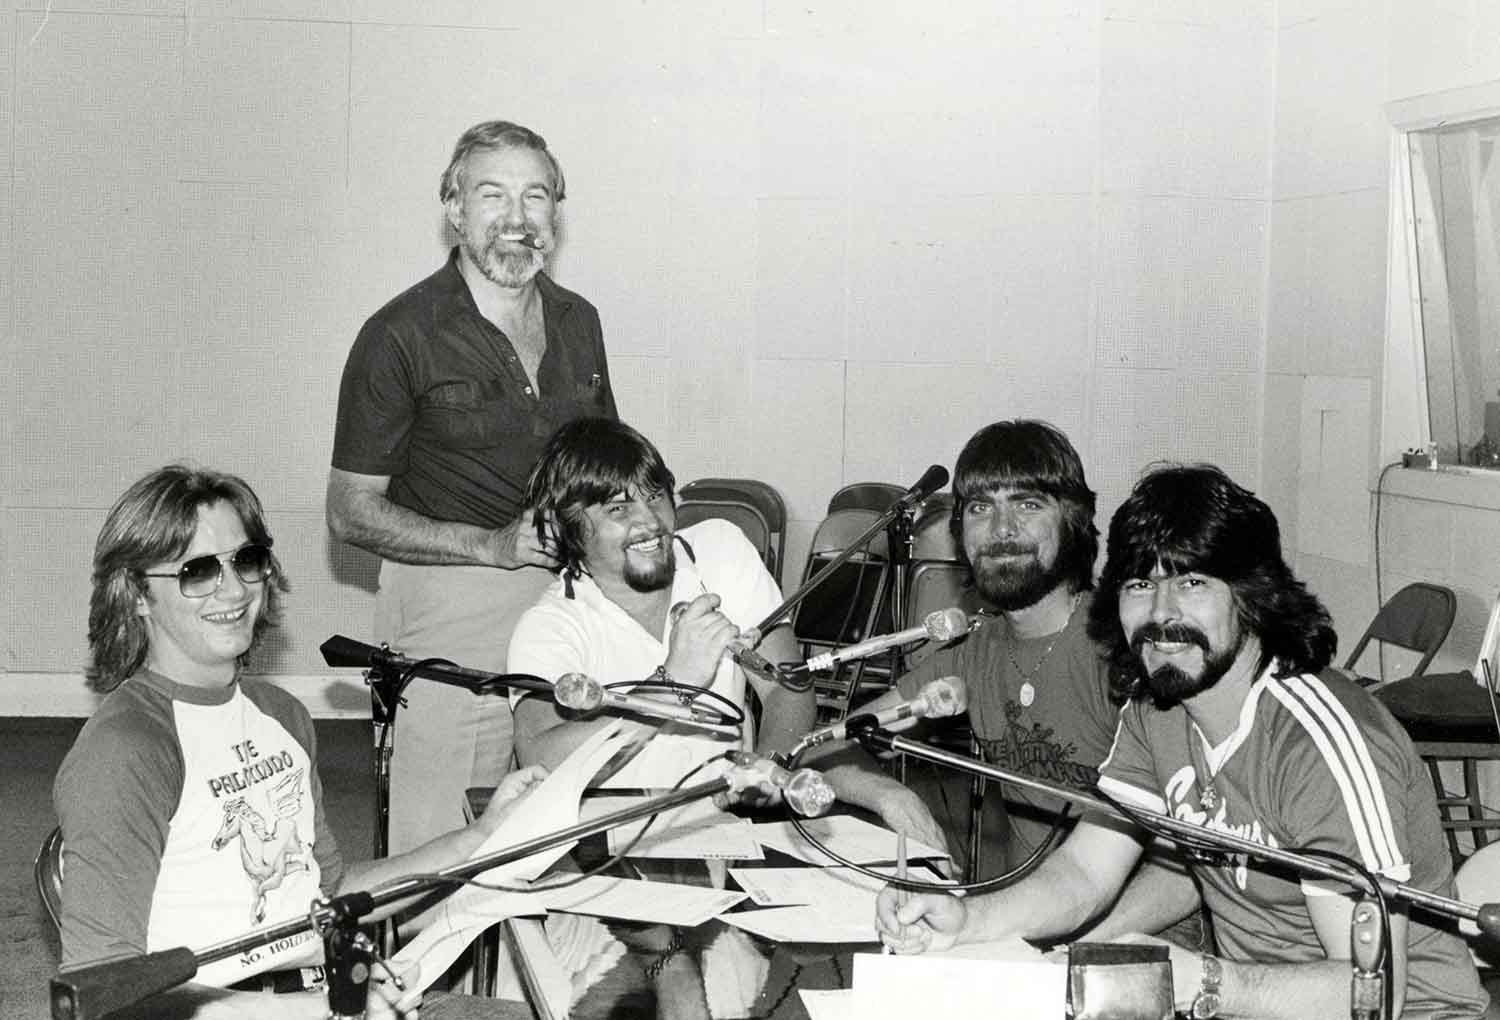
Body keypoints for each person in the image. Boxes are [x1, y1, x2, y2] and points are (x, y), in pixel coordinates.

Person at [877, 464, 1491, 1020]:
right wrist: (967, 918)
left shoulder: (1321, 743)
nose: (1160, 614)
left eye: (1192, 583)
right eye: (1139, 587)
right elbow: (1086, 873)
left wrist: (1209, 984)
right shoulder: (1158, 709)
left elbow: (1375, 993)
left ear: (1250, 598)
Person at [56, 465, 547, 1019]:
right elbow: (99, 992)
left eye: (246, 561)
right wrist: (315, 1010)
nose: (235, 589)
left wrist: (481, 836)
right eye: (196, 571)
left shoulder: (280, 716)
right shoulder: (127, 746)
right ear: (138, 594)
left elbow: (328, 893)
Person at [506, 418, 948, 1019]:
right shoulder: (551, 625)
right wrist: (672, 682)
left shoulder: (717, 550)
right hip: (608, 849)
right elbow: (538, 753)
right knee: (653, 1000)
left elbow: (788, 686)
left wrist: (771, 763)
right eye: (616, 508)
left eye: (655, 494)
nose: (650, 522)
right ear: (571, 530)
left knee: (852, 965)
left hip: (724, 836)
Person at [326, 119, 615, 854]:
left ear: (556, 212)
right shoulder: (398, 334)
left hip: (568, 597)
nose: (517, 219)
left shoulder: (581, 322)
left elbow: (602, 466)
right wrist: (490, 546)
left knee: (565, 825)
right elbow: (350, 511)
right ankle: (427, 971)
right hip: (452, 599)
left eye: (536, 196)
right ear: (454, 208)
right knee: (445, 845)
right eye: (492, 195)